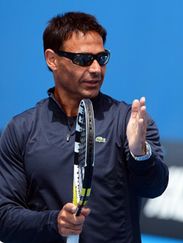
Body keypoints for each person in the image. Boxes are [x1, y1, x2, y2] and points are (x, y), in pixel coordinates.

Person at [0, 12, 169, 243]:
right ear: (52, 60)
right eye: (83, 59)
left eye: (102, 58)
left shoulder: (129, 120)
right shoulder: (21, 129)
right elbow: (4, 217)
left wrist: (140, 155)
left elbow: (154, 188)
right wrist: (54, 222)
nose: (96, 69)